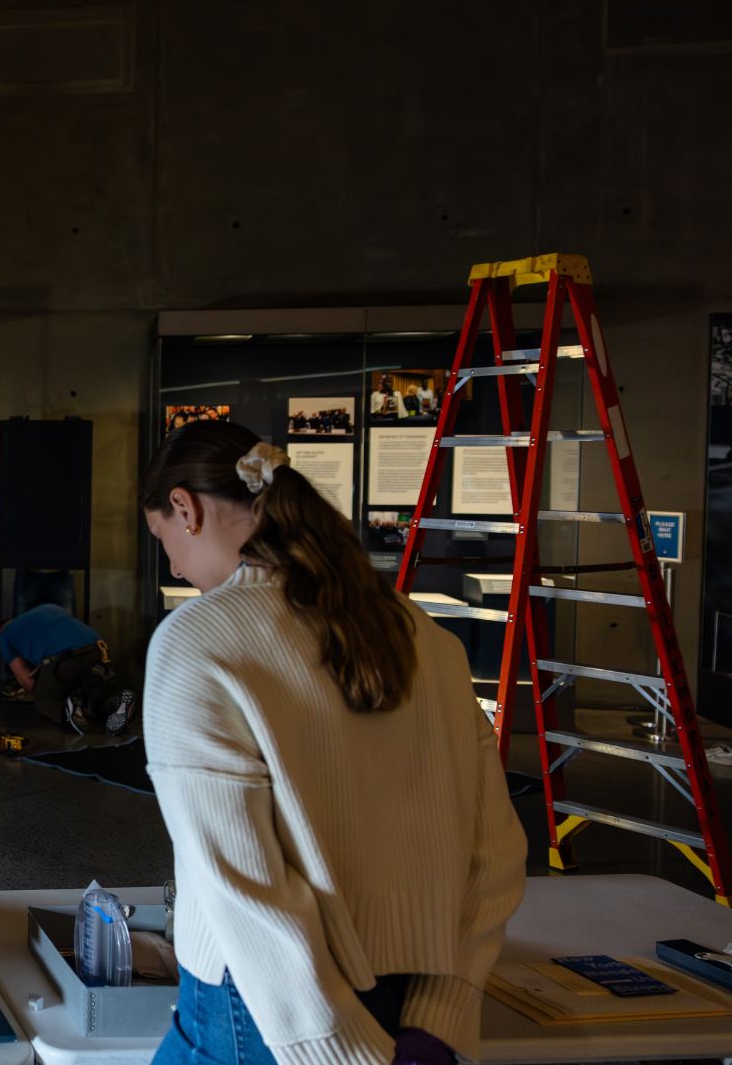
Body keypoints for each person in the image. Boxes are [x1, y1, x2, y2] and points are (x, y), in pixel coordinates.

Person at [139, 421, 525, 1065]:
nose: (175, 565)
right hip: (414, 1005)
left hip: (268, 1016)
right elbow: (495, 850)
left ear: (187, 508)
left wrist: (335, 1049)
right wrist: (443, 1013)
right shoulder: (424, 636)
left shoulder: (197, 641)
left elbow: (242, 884)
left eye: (165, 542)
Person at [0, 604, 134, 735]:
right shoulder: (49, 607)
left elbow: (27, 682)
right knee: (97, 701)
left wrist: (41, 686)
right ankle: (116, 703)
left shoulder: (5, 635)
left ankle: (68, 710)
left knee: (45, 700)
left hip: (63, 661)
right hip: (98, 653)